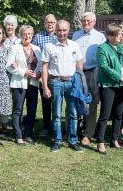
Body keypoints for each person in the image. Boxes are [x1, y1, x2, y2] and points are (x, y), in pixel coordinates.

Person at [42, 20, 83, 152]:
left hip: (71, 82)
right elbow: (44, 67)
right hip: (56, 82)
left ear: (68, 30)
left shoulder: (74, 45)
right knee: (57, 114)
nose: (62, 33)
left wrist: (79, 82)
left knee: (73, 113)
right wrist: (45, 86)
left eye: (64, 30)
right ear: (56, 30)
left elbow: (79, 64)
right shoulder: (49, 46)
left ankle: (73, 140)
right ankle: (58, 140)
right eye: (59, 30)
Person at [96, 23, 123, 154]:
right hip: (109, 85)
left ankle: (115, 139)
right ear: (110, 35)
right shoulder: (102, 48)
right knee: (105, 115)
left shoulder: (121, 48)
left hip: (122, 86)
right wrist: (119, 77)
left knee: (119, 114)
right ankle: (100, 142)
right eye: (118, 34)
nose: (121, 36)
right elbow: (104, 67)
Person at [71, 12, 106, 146]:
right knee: (76, 100)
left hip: (93, 71)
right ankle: (74, 130)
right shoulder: (76, 35)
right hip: (77, 72)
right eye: (84, 20)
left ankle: (88, 133)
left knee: (91, 102)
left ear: (94, 22)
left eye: (89, 21)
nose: (86, 23)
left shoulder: (100, 37)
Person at [7, 25, 42, 145]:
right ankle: (18, 135)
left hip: (33, 83)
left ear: (32, 35)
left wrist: (39, 74)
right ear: (21, 35)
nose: (27, 36)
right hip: (19, 83)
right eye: (25, 34)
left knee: (32, 110)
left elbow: (41, 65)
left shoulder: (37, 49)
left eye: (29, 34)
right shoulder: (15, 48)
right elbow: (9, 65)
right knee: (17, 110)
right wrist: (23, 72)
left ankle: (28, 134)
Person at [32, 14, 57, 136]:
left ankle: (57, 126)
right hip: (44, 75)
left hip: (57, 74)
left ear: (56, 23)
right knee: (46, 101)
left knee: (57, 101)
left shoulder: (60, 36)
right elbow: (35, 56)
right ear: (44, 24)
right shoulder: (38, 37)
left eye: (52, 22)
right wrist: (40, 75)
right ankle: (46, 126)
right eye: (48, 22)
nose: (50, 24)